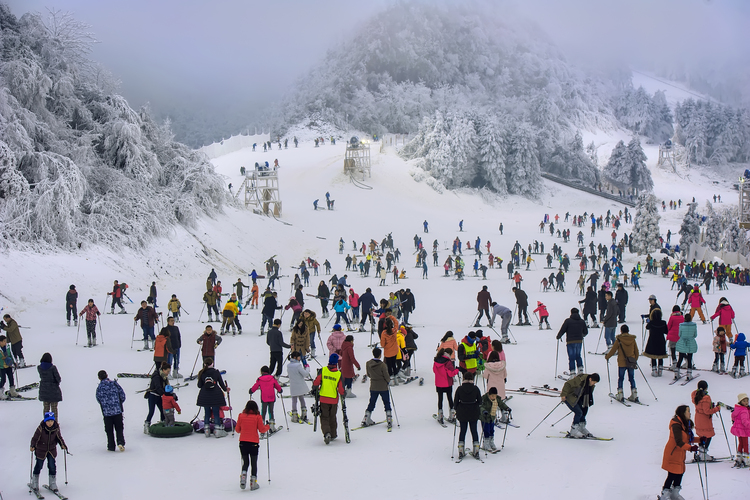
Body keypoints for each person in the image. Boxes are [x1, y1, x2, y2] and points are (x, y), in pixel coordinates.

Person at [659, 405, 698, 500]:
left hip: (679, 454)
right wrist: (690, 448)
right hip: (673, 453)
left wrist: (700, 439)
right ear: (683, 413)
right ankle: (665, 494)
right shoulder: (676, 425)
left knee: (680, 473)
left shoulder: (684, 424)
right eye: (688, 411)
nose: (690, 413)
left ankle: (674, 494)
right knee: (672, 474)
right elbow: (679, 441)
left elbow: (688, 439)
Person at [29, 412, 68, 495]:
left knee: (52, 466)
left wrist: (62, 444)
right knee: (39, 465)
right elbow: (35, 438)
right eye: (48, 421)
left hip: (51, 449)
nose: (50, 423)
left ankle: (52, 483)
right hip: (41, 450)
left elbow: (59, 437)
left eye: (51, 421)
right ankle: (34, 482)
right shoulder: (41, 428)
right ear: (45, 421)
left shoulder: (56, 428)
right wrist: (33, 445)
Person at [235, 400, 270, 490]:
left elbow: (237, 430)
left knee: (245, 462)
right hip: (253, 443)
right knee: (254, 463)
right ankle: (253, 483)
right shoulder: (257, 417)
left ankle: (243, 478)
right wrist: (268, 427)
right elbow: (261, 430)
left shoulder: (241, 416)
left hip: (243, 443)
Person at [313, 353, 345, 444]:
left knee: (324, 417)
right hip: (334, 400)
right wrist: (343, 394)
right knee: (332, 417)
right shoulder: (339, 374)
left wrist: (314, 388)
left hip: (323, 398)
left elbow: (316, 382)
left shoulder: (323, 370)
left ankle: (327, 432)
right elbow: (341, 389)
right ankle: (333, 434)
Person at [560, 372, 600, 438]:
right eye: (594, 382)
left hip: (579, 399)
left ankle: (581, 427)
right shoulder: (580, 380)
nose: (594, 384)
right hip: (570, 397)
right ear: (590, 379)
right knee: (578, 412)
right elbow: (567, 384)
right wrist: (563, 395)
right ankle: (573, 430)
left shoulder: (589, 385)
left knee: (584, 410)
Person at [605, 324, 639, 402]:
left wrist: (607, 357)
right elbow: (636, 351)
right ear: (628, 331)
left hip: (622, 362)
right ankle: (634, 393)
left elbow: (613, 350)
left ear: (621, 331)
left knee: (621, 378)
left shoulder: (619, 340)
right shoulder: (632, 340)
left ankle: (620, 394)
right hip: (631, 362)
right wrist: (634, 360)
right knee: (631, 378)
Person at [361, 347, 393, 429]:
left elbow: (368, 374)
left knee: (372, 402)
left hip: (373, 386)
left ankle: (366, 417)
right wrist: (388, 380)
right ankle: (389, 418)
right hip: (383, 386)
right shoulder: (382, 365)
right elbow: (386, 376)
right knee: (386, 402)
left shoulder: (368, 363)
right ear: (380, 355)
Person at [196, 357, 229, 437]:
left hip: (205, 396)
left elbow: (199, 385)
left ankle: (206, 430)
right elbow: (221, 383)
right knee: (216, 412)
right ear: (212, 364)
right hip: (215, 395)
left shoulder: (202, 372)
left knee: (207, 413)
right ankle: (217, 430)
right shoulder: (216, 372)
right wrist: (226, 389)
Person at [95, 370, 126, 451]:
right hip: (117, 410)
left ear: (99, 378)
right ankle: (120, 442)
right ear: (107, 375)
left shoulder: (99, 388)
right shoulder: (114, 384)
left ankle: (111, 446)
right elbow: (122, 395)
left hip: (106, 413)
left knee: (109, 430)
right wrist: (118, 403)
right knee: (119, 428)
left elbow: (98, 399)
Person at [454, 371, 482, 459]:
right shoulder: (476, 388)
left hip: (462, 412)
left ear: (464, 379)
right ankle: (476, 450)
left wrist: (457, 409)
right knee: (474, 431)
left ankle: (461, 450)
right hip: (473, 411)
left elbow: (455, 402)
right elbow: (480, 401)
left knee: (463, 430)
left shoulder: (459, 389)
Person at [691, 380, 721, 462]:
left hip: (698, 418)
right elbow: (707, 411)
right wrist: (717, 408)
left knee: (701, 435)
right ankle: (703, 452)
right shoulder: (706, 397)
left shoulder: (695, 395)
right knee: (708, 435)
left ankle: (701, 452)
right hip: (705, 419)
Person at [249, 366, 283, 432]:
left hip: (264, 398)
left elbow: (255, 386)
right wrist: (280, 390)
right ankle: (272, 426)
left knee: (263, 412)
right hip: (271, 397)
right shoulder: (272, 378)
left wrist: (251, 390)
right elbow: (277, 385)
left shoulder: (260, 379)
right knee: (271, 411)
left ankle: (262, 427)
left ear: (262, 372)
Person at [556, 308, 588, 377]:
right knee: (578, 355)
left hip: (570, 341)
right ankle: (580, 370)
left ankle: (572, 372)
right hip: (579, 341)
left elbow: (563, 329)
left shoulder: (568, 321)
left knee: (571, 357)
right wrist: (581, 336)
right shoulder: (582, 321)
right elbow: (586, 332)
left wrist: (558, 336)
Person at [480, 387, 511, 452]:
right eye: (492, 396)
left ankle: (491, 442)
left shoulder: (497, 399)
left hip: (492, 417)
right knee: (486, 430)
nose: (494, 397)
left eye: (495, 396)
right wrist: (483, 411)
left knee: (491, 430)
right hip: (485, 417)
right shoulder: (484, 399)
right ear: (489, 395)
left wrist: (507, 408)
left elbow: (501, 404)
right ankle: (486, 444)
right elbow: (481, 406)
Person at [433, 347, 459, 425]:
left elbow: (434, 370)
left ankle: (440, 415)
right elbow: (451, 373)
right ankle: (452, 415)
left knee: (440, 399)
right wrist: (457, 370)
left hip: (439, 383)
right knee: (450, 398)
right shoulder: (448, 362)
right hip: (447, 383)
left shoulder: (436, 360)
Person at [144, 362, 170, 433]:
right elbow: (158, 387)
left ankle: (163, 421)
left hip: (159, 396)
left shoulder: (164, 377)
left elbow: (166, 387)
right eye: (167, 371)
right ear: (163, 370)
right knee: (151, 411)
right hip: (152, 395)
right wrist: (165, 394)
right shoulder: (157, 376)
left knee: (162, 409)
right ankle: (147, 424)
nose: (168, 373)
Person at [287, 351, 310, 423]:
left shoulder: (288, 365)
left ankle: (294, 415)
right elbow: (305, 374)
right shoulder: (298, 365)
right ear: (295, 357)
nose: (300, 358)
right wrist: (307, 368)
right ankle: (304, 414)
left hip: (293, 385)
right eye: (299, 356)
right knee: (301, 399)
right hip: (299, 385)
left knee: (294, 400)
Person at [644, 309, 668, 377]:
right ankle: (660, 369)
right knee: (660, 355)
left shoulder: (651, 323)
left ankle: (654, 369)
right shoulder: (663, 322)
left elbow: (647, 327)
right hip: (661, 340)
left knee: (653, 355)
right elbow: (666, 331)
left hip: (653, 340)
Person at [38, 353, 62, 420]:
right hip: (53, 390)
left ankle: (46, 422)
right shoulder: (53, 368)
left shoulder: (39, 368)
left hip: (44, 390)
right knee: (54, 408)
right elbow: (58, 378)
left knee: (46, 408)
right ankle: (55, 422)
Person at [674, 313, 697, 381]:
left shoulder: (681, 325)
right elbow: (695, 335)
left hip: (682, 342)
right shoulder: (694, 325)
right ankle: (689, 374)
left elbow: (679, 334)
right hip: (690, 342)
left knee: (680, 357)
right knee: (689, 358)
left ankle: (676, 373)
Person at [730, 393, 750, 468]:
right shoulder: (744, 410)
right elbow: (745, 421)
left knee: (741, 443)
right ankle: (746, 459)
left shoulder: (737, 409)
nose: (746, 402)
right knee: (745, 444)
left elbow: (733, 417)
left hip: (739, 430)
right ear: (740, 402)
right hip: (744, 430)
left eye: (747, 400)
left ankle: (739, 457)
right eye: (744, 401)